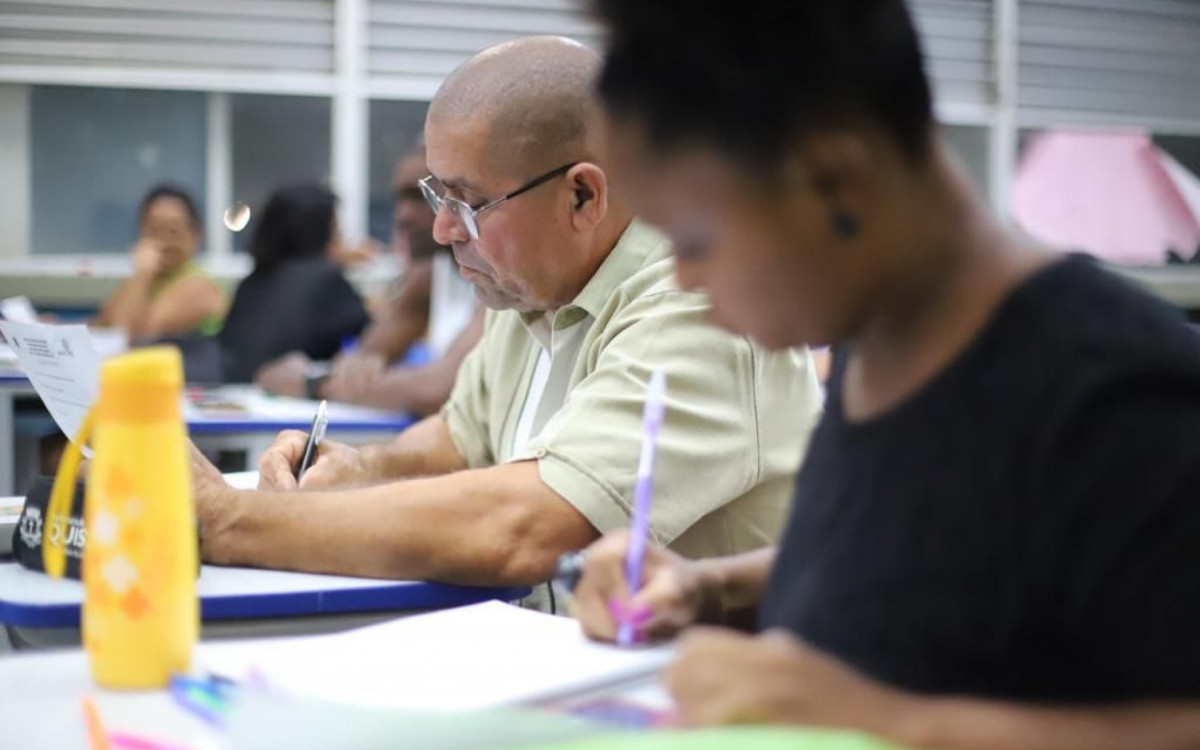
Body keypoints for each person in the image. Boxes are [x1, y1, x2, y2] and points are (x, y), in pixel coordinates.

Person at [569, 1, 1200, 748]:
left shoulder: (1120, 405)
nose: (684, 277)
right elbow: (939, 570)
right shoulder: (873, 334)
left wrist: (891, 722)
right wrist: (712, 587)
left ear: (837, 182)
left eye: (696, 238)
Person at [188, 36, 821, 598]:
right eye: (438, 195)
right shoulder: (531, 286)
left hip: (694, 699)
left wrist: (225, 520)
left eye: (467, 201)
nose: (441, 229)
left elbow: (526, 529)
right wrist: (359, 468)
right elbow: (461, 439)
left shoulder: (703, 302)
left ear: (582, 195)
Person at [255, 146, 484, 415]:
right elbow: (358, 365)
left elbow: (439, 391)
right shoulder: (429, 278)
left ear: (463, 196)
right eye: (398, 200)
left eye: (420, 196)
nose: (402, 216)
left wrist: (312, 384)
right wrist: (337, 380)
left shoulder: (504, 277)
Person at [219, 185, 371, 383]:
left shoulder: (252, 282)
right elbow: (375, 336)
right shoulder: (325, 279)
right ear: (321, 235)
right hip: (290, 398)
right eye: (337, 235)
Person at [95, 184, 227, 340]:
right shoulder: (147, 279)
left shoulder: (199, 287)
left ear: (195, 236)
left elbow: (128, 338)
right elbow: (100, 326)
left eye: (173, 231)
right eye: (154, 230)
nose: (164, 241)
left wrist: (141, 273)